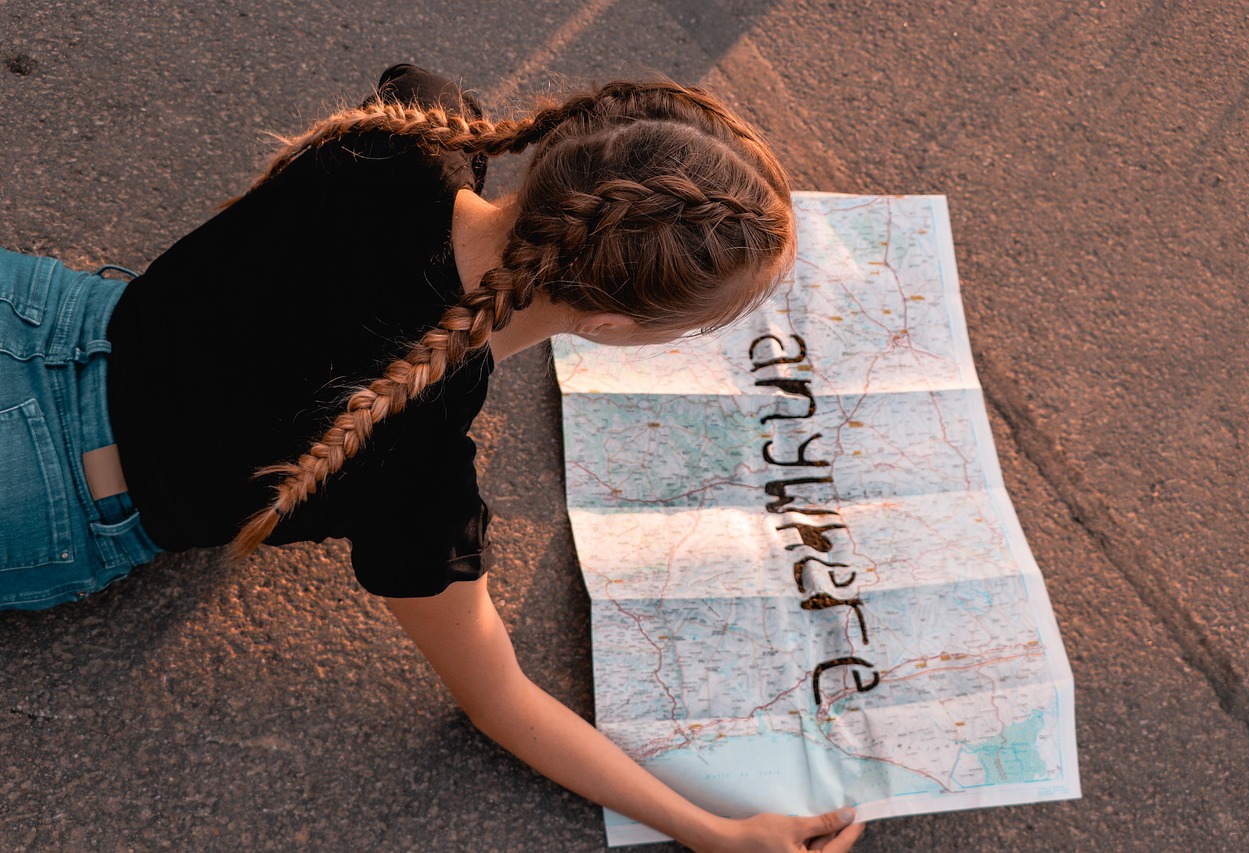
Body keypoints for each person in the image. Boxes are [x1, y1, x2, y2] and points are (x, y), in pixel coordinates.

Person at [0, 64, 864, 851]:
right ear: (606, 326)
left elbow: (414, 89)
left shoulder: (406, 138)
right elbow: (499, 700)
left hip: (45, 314)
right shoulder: (416, 462)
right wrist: (709, 829)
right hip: (47, 493)